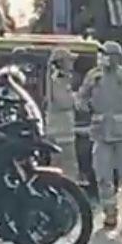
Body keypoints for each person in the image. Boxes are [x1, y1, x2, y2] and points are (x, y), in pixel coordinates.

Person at [77, 41, 122, 228]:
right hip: (100, 133)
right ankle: (110, 212)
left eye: (108, 54)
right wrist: (86, 104)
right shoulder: (93, 76)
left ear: (117, 57)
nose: (105, 58)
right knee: (102, 174)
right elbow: (80, 99)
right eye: (103, 54)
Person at [46, 48, 79, 181]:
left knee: (63, 166)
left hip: (62, 132)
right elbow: (63, 102)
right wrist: (76, 98)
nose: (72, 63)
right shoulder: (57, 80)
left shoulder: (63, 80)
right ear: (60, 63)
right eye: (69, 60)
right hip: (60, 134)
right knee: (66, 167)